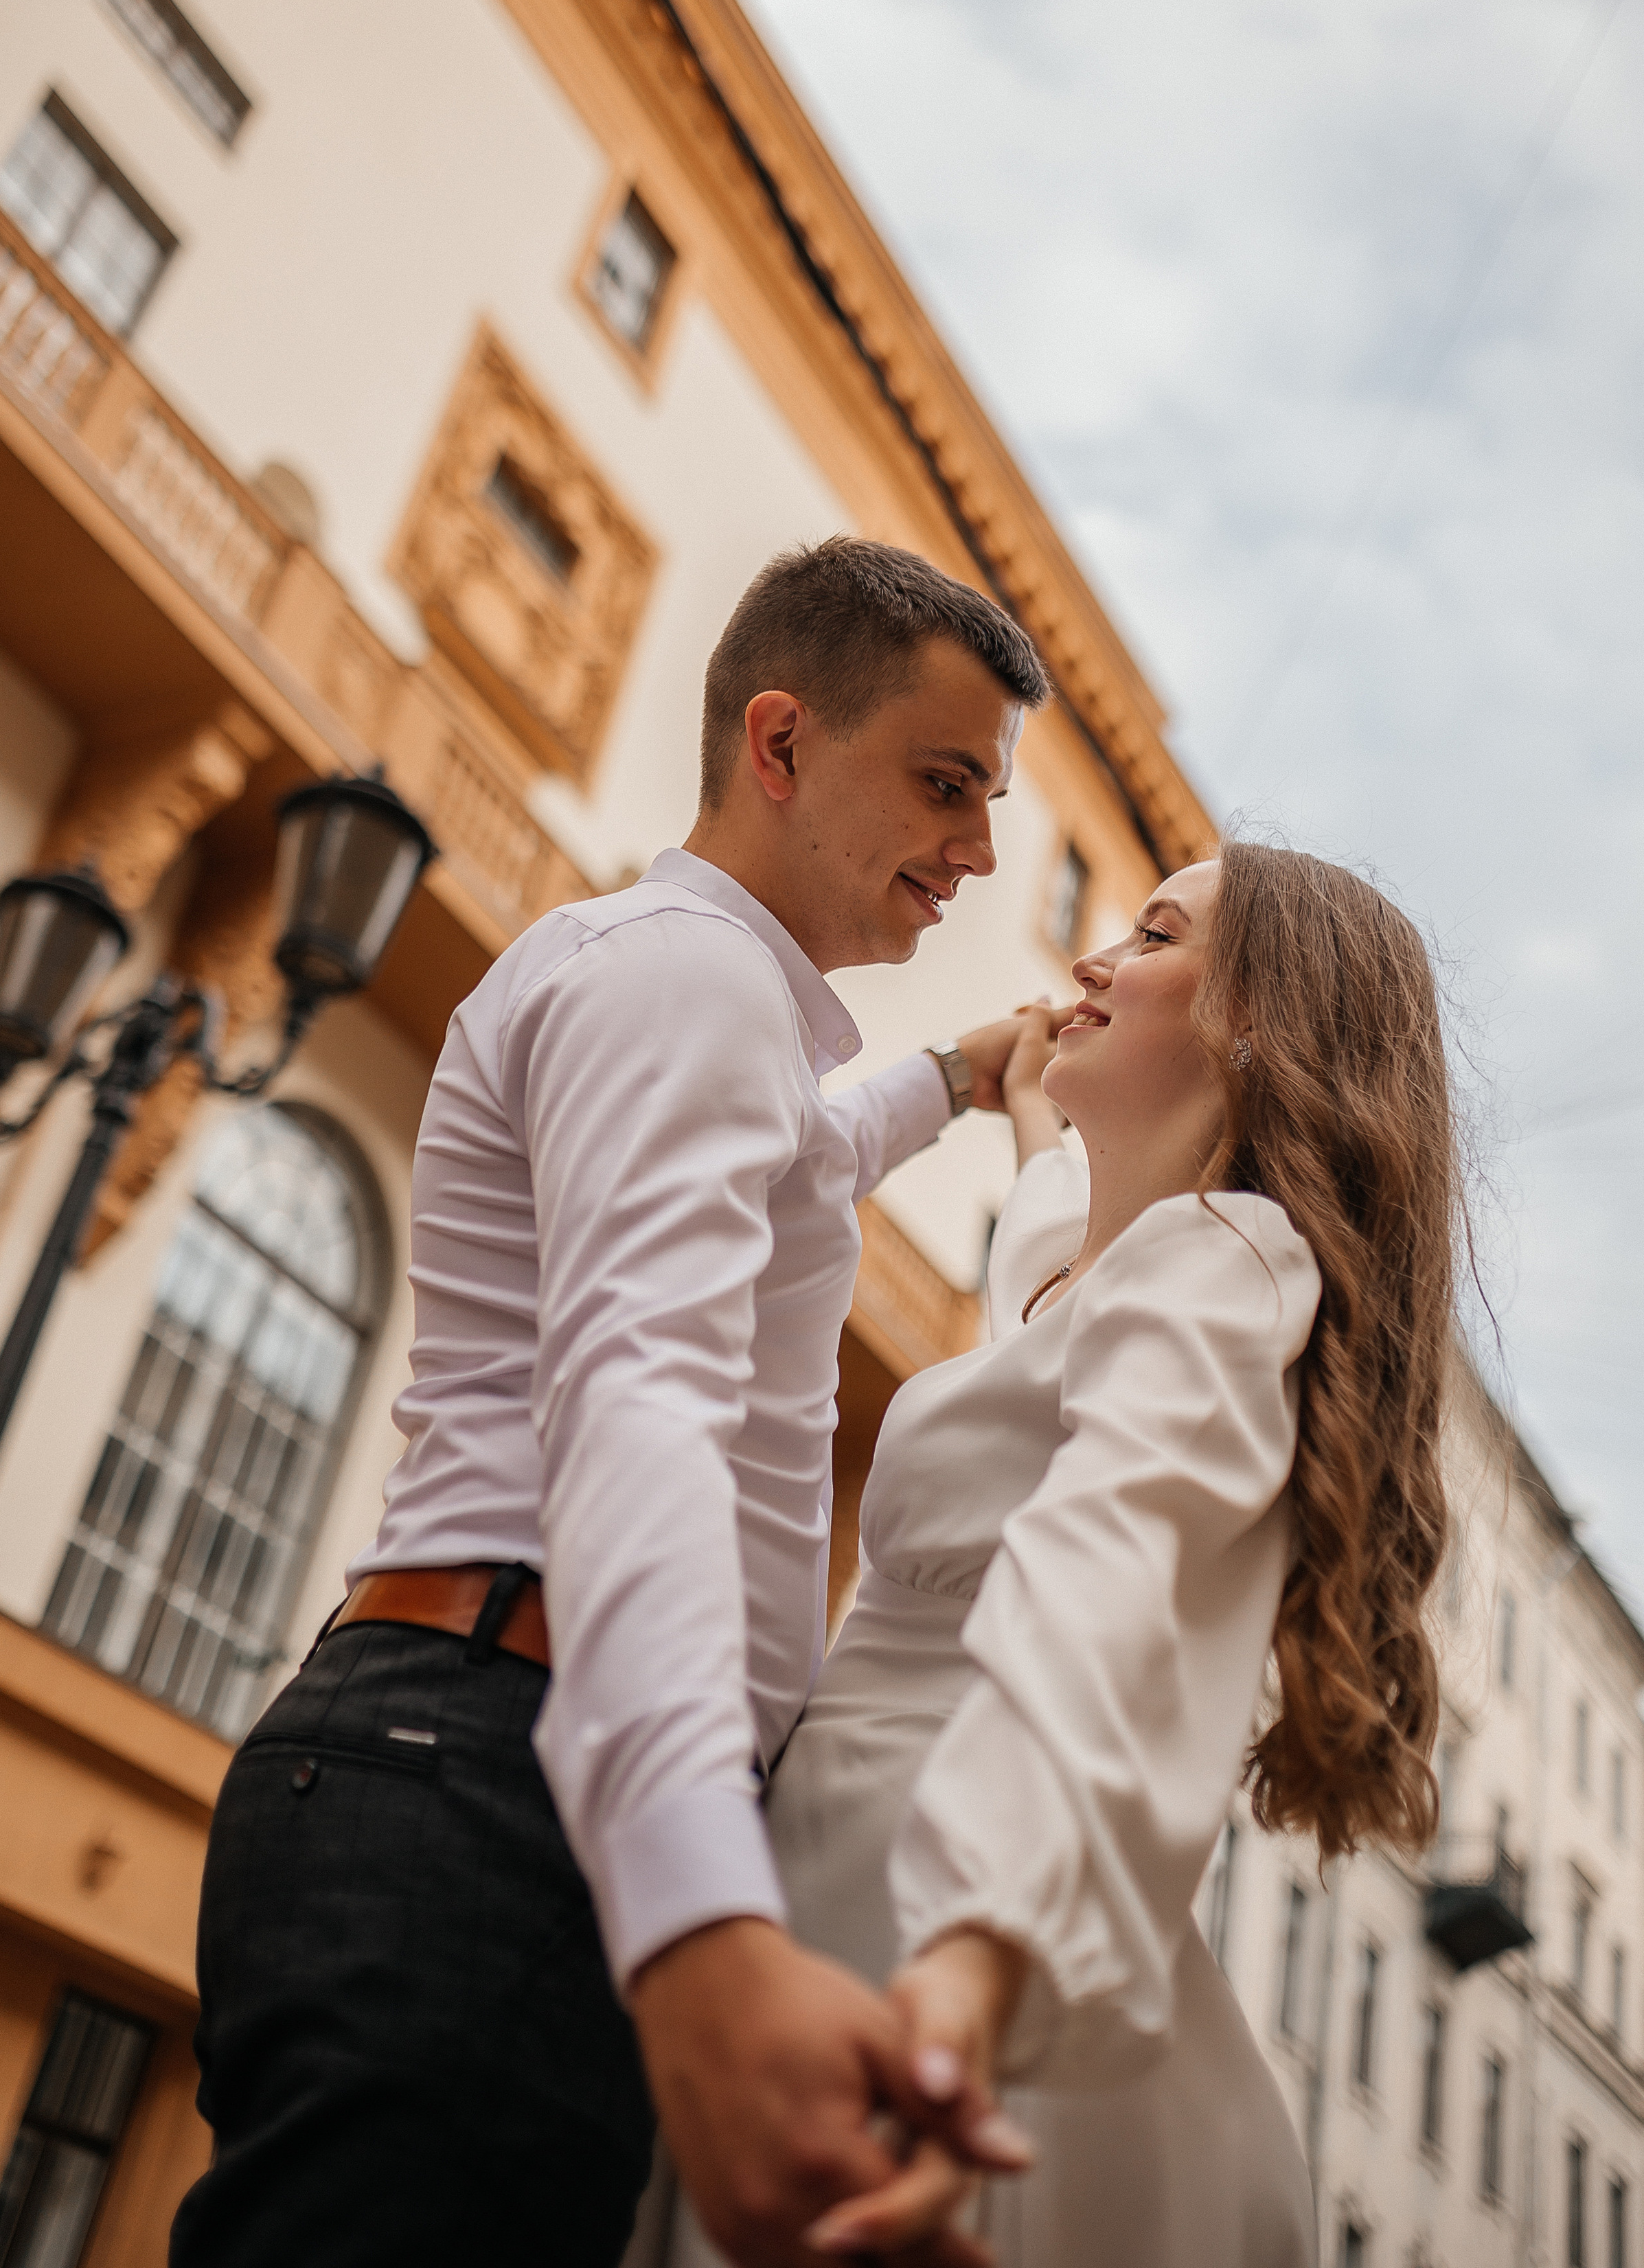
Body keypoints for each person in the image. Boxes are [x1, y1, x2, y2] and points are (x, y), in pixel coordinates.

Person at [170, 538, 1053, 2268]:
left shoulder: (694, 992)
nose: (980, 850)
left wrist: (951, 1081)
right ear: (779, 745)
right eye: (946, 787)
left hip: (487, 1752)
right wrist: (699, 1922)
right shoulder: (688, 982)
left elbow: (802, 1159)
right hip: (499, 1767)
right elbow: (637, 1401)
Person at [677, 838, 1458, 2267]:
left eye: (1150, 938)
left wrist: (972, 1965)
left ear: (1253, 1024)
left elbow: (1104, 1578)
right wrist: (1015, 1095)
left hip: (940, 1881)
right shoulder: (1086, 1285)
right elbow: (1045, 1243)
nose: (1089, 964)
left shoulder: (1221, 1264)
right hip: (854, 1852)